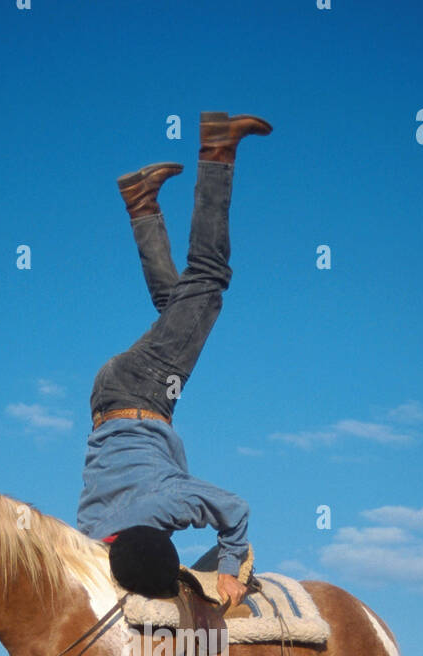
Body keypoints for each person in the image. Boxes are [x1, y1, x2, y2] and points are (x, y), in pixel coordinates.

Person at [76, 111, 272, 603]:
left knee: (208, 277)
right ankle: (141, 202)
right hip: (109, 400)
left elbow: (234, 510)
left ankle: (217, 149)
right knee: (180, 307)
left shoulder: (169, 505)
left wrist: (229, 568)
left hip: (144, 391)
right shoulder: (91, 533)